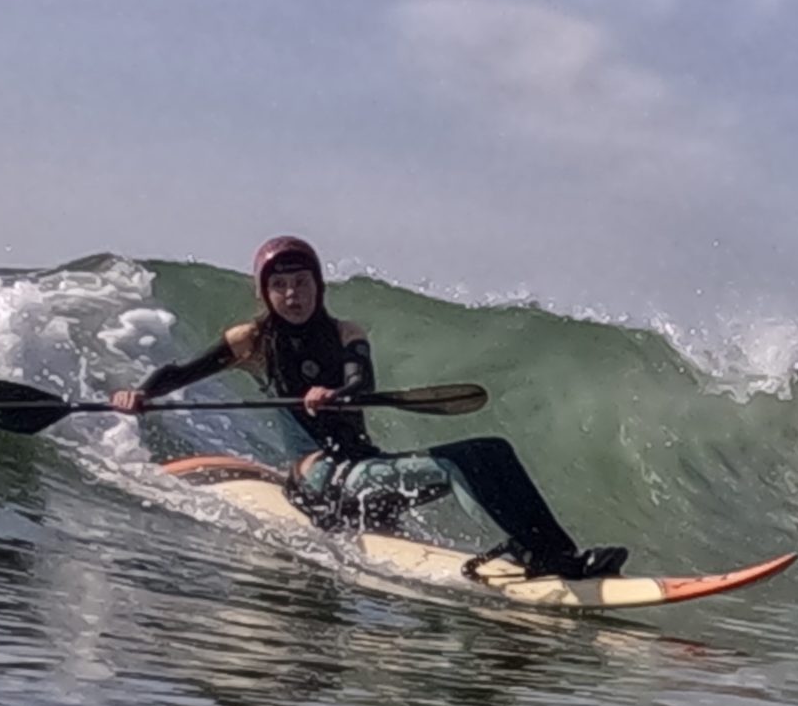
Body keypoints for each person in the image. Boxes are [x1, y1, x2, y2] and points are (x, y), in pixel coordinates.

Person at [111, 235, 627, 581]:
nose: (292, 294)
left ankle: (555, 552)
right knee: (458, 464)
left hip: (364, 472)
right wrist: (143, 394)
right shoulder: (252, 341)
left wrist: (336, 393)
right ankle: (540, 556)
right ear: (265, 293)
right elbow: (181, 373)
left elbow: (361, 382)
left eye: (301, 282)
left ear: (318, 285)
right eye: (280, 285)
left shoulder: (346, 333)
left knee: (492, 448)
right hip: (322, 484)